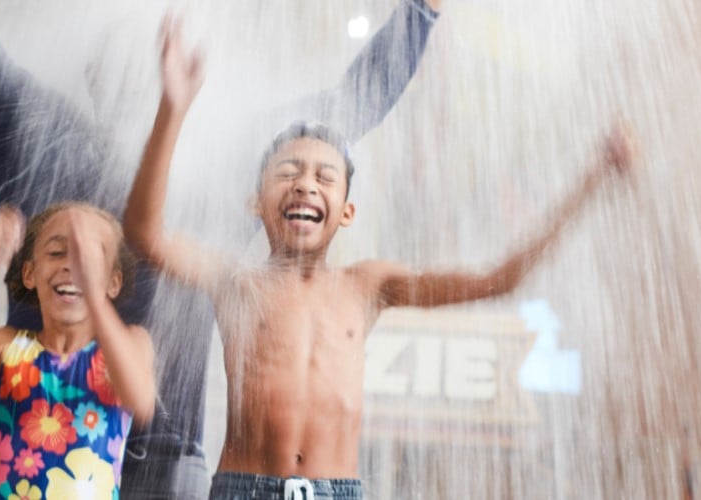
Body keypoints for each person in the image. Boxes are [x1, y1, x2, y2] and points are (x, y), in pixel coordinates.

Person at [0, 1, 441, 497]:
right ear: (93, 75)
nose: (148, 76)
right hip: (28, 440)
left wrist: (422, 11)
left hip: (157, 455)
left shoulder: (219, 170)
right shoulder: (37, 132)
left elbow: (352, 103)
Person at [123, 19, 639, 500]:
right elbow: (146, 234)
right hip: (244, 486)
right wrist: (173, 110)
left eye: (324, 177)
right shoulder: (235, 282)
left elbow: (498, 279)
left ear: (346, 212)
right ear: (254, 202)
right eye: (288, 173)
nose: (305, 182)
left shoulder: (367, 286)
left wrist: (592, 181)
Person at [0, 203, 155, 499]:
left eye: (90, 258)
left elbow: (141, 399)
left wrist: (94, 298)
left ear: (113, 283)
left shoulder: (131, 344)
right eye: (57, 253)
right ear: (30, 274)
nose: (73, 266)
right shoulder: (5, 346)